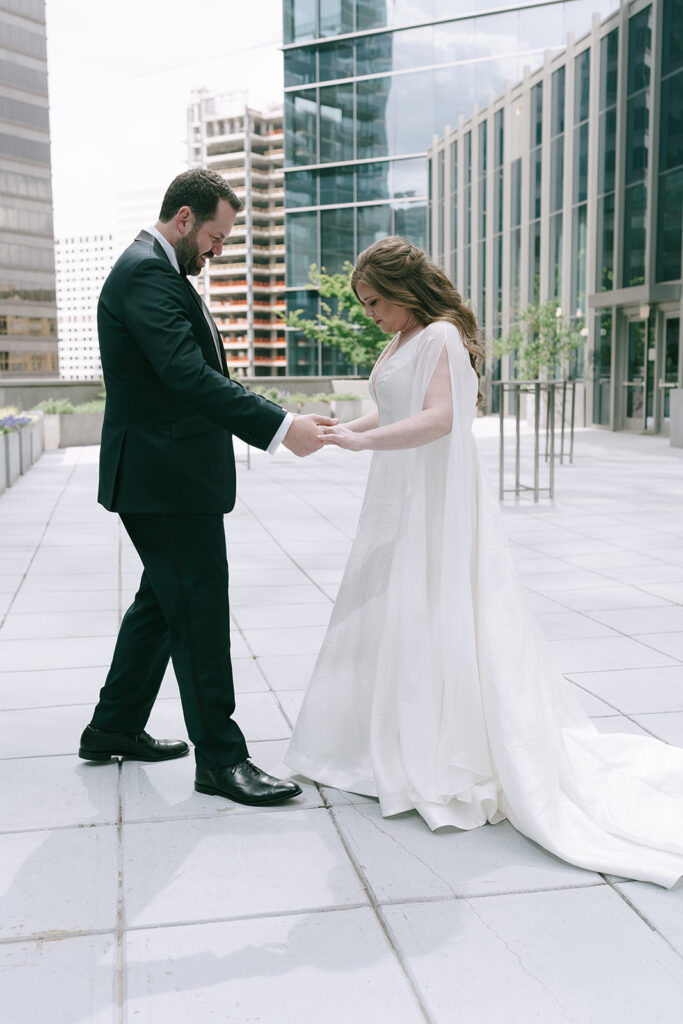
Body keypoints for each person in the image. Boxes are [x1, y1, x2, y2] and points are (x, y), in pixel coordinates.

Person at [285, 235, 683, 888]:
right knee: (396, 605)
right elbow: (391, 406)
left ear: (404, 290)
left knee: (434, 604)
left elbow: (441, 419)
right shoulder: (402, 339)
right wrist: (342, 428)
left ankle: (442, 746)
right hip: (400, 489)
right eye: (363, 305)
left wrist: (364, 443)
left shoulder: (440, 335)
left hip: (433, 493)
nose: (371, 315)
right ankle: (390, 739)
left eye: (375, 301)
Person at [79, 168, 335, 807]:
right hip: (163, 479)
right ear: (186, 218)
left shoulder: (160, 271)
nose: (219, 250)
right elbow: (187, 375)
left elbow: (191, 374)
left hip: (166, 476)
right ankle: (221, 760)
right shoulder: (145, 271)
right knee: (196, 608)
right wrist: (280, 426)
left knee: (163, 604)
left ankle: (112, 726)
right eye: (217, 236)